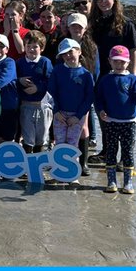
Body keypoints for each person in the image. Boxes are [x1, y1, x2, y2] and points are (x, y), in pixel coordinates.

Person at [95, 45, 136, 194]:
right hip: (110, 122)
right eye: (116, 61)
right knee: (111, 151)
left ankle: (128, 182)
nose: (119, 64)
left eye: (122, 62)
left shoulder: (134, 80)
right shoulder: (105, 80)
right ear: (110, 61)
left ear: (128, 62)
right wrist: (101, 110)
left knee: (128, 152)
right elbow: (98, 99)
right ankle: (111, 181)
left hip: (129, 123)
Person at [49, 38, 95, 185]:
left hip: (77, 116)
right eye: (64, 54)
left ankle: (72, 174)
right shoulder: (57, 71)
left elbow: (89, 98)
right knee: (59, 144)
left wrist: (78, 115)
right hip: (59, 114)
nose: (68, 56)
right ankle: (58, 172)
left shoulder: (86, 74)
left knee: (73, 144)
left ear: (79, 52)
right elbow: (51, 93)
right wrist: (56, 111)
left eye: (71, 52)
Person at [16, 31, 53, 153]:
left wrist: (38, 87)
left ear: (41, 48)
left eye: (35, 46)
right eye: (28, 46)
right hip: (26, 105)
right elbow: (13, 80)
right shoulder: (20, 63)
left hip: (43, 106)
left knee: (41, 137)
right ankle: (27, 164)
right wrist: (20, 80)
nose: (31, 49)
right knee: (28, 136)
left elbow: (50, 81)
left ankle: (38, 164)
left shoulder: (45, 62)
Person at [89, 0, 136, 79]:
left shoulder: (126, 23)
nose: (103, 1)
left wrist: (133, 76)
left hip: (119, 71)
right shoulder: (92, 22)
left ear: (114, 0)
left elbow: (133, 50)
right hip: (96, 72)